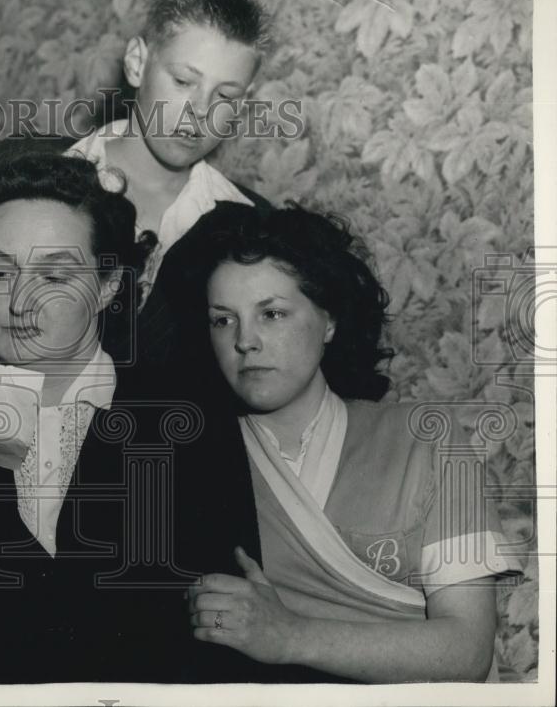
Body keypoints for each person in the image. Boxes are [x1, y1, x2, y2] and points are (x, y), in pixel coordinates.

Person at [0, 150, 266, 684]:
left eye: (54, 274)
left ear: (108, 287)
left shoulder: (187, 422)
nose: (20, 302)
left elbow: (225, 638)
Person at [157, 203, 523, 682]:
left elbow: (468, 651)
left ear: (329, 320)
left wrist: (287, 635)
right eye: (223, 320)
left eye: (271, 313)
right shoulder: (191, 460)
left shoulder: (427, 439)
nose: (245, 341)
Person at [68, 0, 272, 301]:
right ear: (137, 63)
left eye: (225, 96)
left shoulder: (253, 229)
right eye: (182, 81)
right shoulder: (27, 173)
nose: (200, 110)